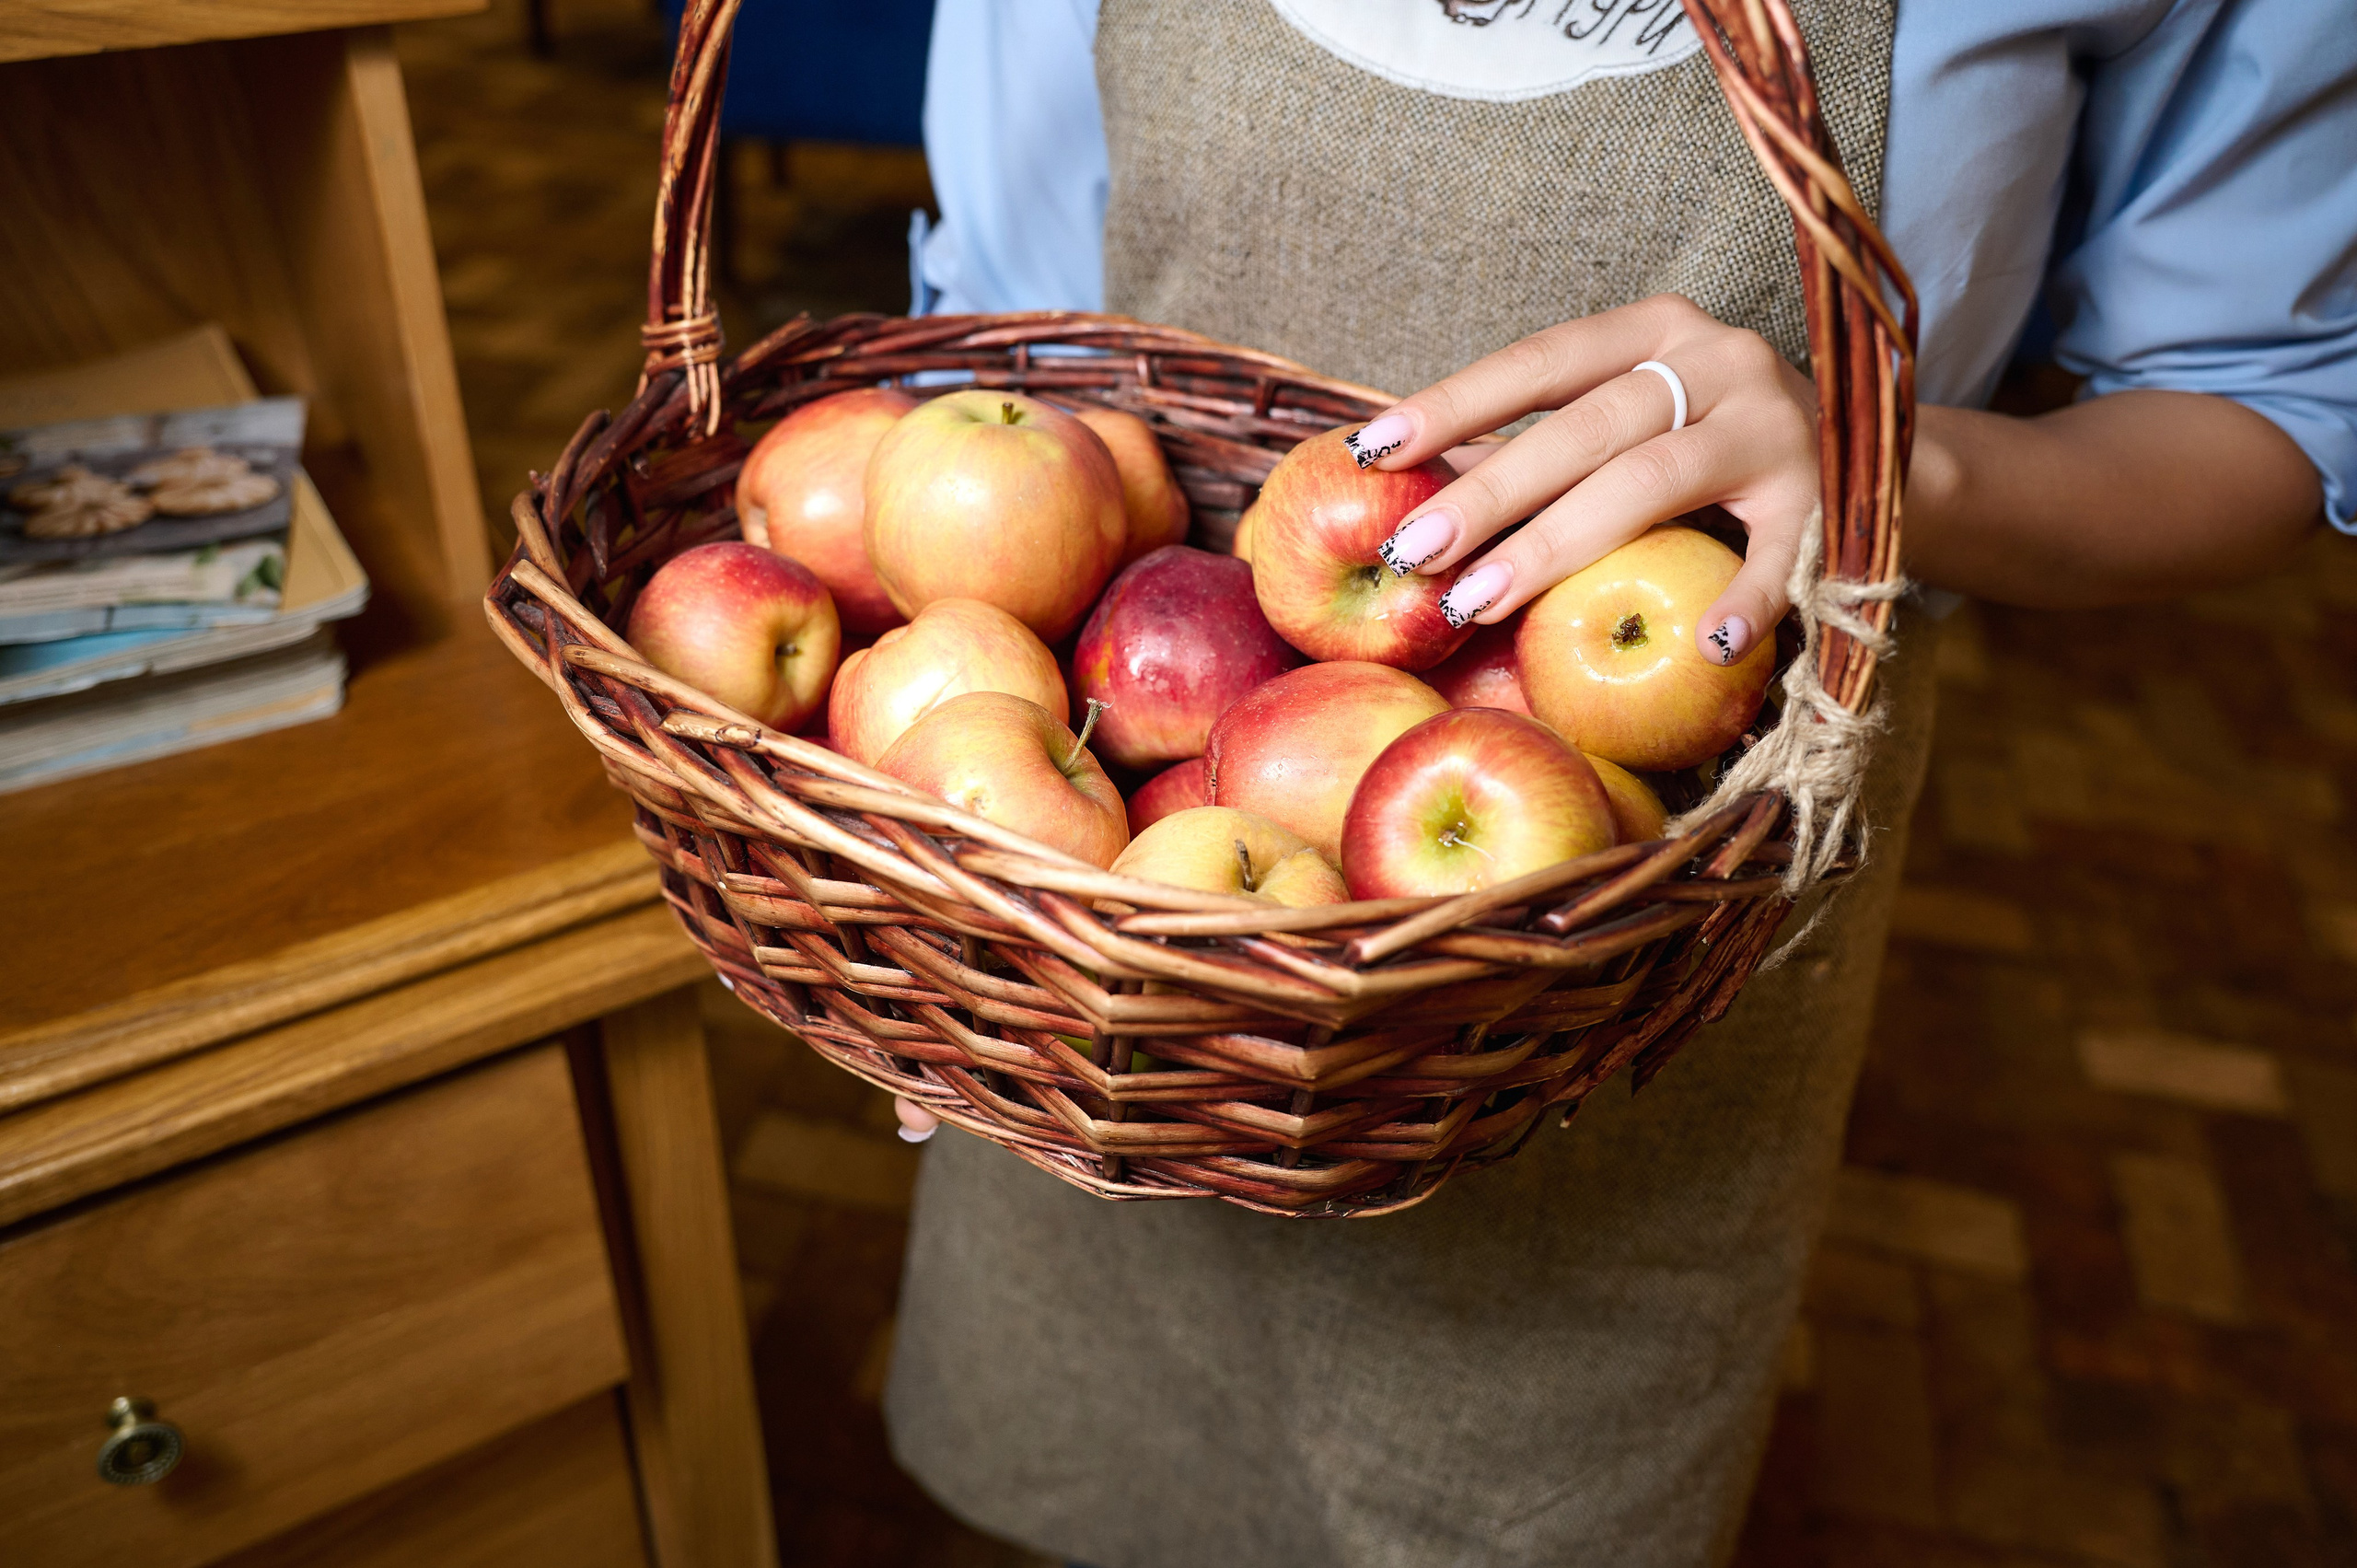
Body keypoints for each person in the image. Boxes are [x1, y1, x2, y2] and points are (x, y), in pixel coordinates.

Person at [877, 4, 2357, 1565]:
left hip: (1638, 998)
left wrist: (1889, 470)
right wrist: (932, 866)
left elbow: (2276, 399)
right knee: (1090, 1481)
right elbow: (1010, 368)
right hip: (1118, 962)